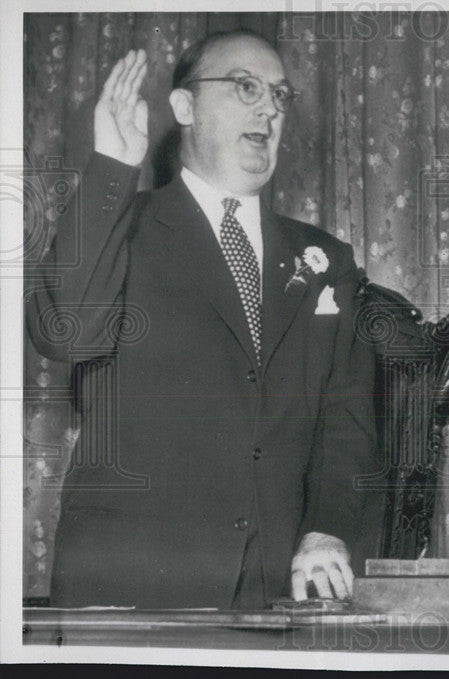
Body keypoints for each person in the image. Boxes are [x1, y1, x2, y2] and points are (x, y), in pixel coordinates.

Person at [27, 31, 380, 609]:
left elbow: (346, 419)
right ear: (186, 107)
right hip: (130, 581)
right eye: (246, 87)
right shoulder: (122, 225)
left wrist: (326, 528)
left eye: (279, 95)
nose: (269, 107)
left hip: (274, 589)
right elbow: (65, 332)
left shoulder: (325, 260)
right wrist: (113, 167)